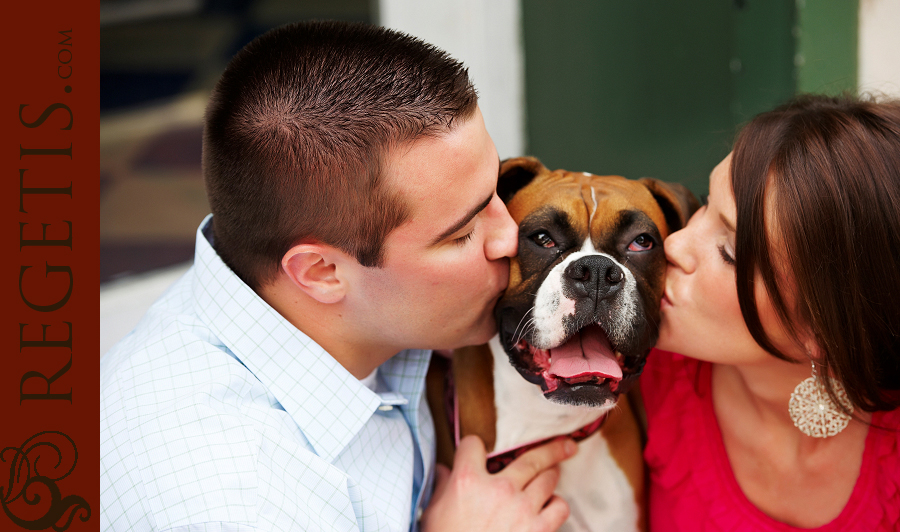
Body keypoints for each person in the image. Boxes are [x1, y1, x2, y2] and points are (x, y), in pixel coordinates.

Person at [100, 21, 577, 532]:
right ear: (322, 272)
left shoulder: (358, 309)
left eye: (496, 192)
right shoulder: (234, 500)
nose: (510, 237)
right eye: (462, 233)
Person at [641, 94, 900, 531]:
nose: (675, 245)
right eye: (706, 203)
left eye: (728, 251)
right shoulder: (630, 373)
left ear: (827, 325)